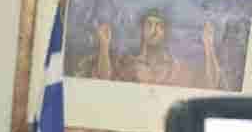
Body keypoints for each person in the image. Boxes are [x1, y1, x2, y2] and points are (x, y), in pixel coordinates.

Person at [74, 8, 223, 90]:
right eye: (149, 24)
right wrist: (104, 45)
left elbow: (211, 84)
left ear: (165, 33)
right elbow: (103, 80)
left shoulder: (177, 68)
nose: (154, 30)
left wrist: (209, 46)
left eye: (159, 26)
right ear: (142, 30)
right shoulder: (127, 64)